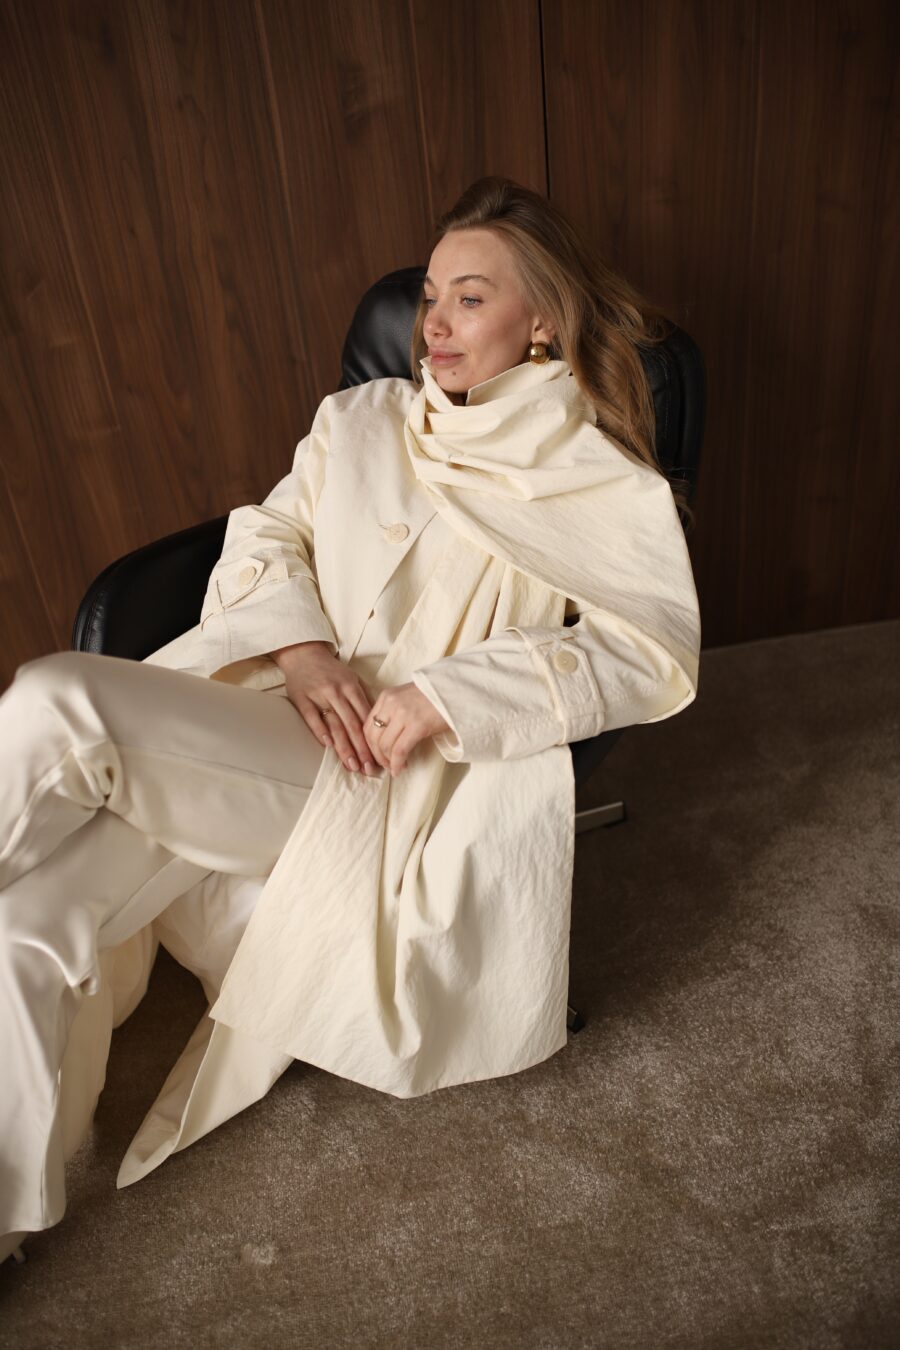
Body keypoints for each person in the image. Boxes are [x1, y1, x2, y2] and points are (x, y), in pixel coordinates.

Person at [0, 176, 701, 1265]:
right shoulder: (361, 420)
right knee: (28, 922)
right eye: (429, 297)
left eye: (471, 298)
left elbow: (645, 646)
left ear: (542, 321)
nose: (435, 323)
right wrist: (301, 646)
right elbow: (264, 535)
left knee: (61, 699)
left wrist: (446, 696)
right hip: (262, 715)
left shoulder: (587, 471)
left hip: (383, 772)